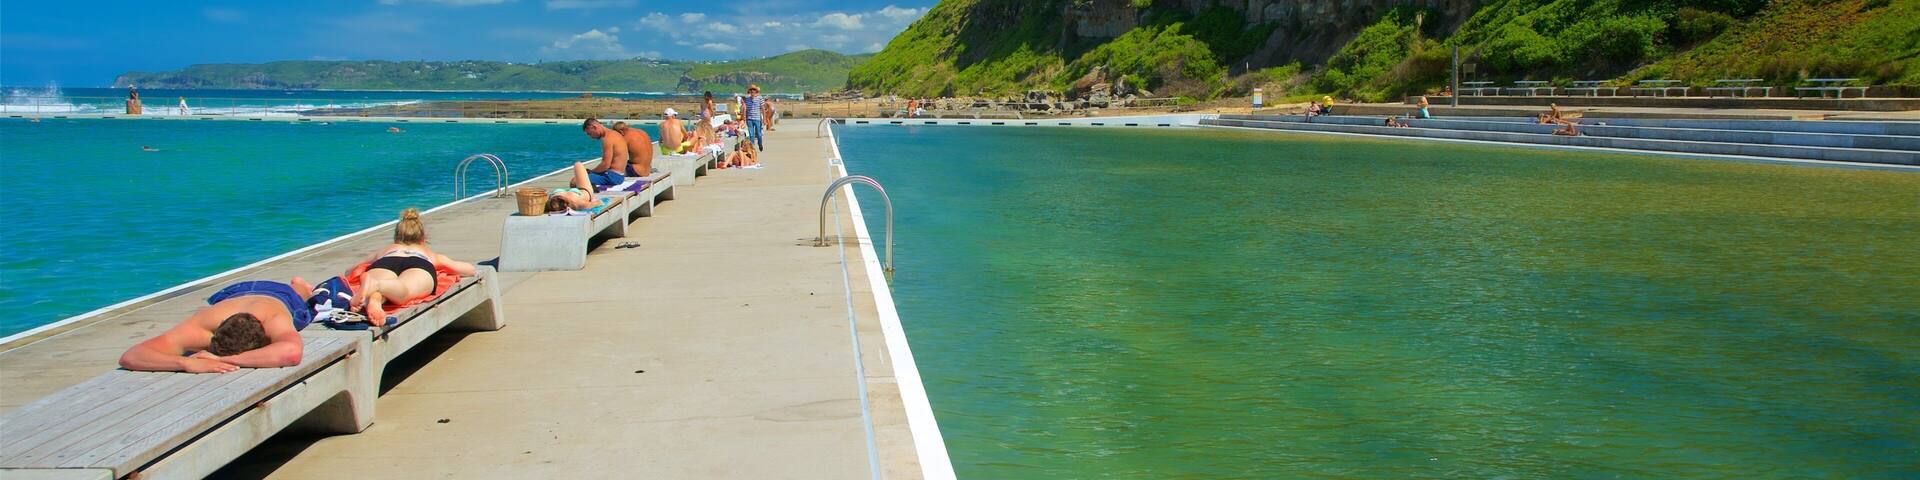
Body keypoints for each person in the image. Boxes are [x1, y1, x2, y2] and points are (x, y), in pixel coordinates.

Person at [119, 278, 314, 373]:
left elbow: (291, 354)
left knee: (301, 297)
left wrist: (226, 359)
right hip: (234, 293)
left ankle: (300, 286)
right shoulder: (201, 329)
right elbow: (131, 356)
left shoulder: (273, 320)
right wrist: (185, 363)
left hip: (279, 296)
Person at [351, 209, 477, 324]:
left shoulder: (386, 249)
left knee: (390, 287)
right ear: (423, 237)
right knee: (404, 291)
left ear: (396, 236)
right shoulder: (430, 254)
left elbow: (352, 270)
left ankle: (376, 297)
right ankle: (378, 285)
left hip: (387, 260)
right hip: (419, 262)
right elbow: (469, 270)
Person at [580, 117, 629, 188]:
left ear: (594, 127)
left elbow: (605, 165)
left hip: (612, 177)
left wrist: (591, 172)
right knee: (584, 177)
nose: (591, 137)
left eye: (589, 133)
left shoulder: (608, 139)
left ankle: (588, 193)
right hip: (619, 175)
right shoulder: (615, 134)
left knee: (575, 181)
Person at [545, 162, 611, 213]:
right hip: (582, 191)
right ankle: (579, 182)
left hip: (561, 195)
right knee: (578, 164)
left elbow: (600, 202)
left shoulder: (576, 203)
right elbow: (601, 202)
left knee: (576, 170)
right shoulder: (578, 203)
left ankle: (575, 183)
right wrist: (592, 202)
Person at [739, 84, 768, 151]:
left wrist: (764, 119)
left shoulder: (760, 98)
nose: (752, 91)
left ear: (756, 91)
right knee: (751, 135)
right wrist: (744, 119)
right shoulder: (747, 99)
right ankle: (752, 148)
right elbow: (745, 109)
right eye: (751, 90)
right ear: (749, 91)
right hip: (749, 119)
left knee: (759, 134)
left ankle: (760, 144)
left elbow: (763, 109)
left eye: (754, 90)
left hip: (757, 119)